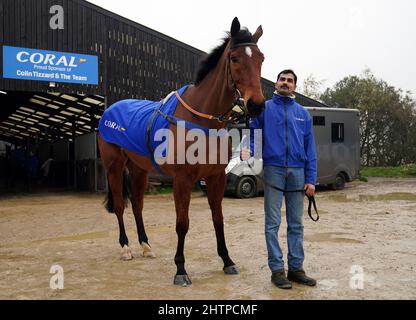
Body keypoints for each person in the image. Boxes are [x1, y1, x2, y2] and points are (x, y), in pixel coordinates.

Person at [242, 69, 317, 289]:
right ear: (275, 83)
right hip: (273, 169)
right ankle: (277, 271)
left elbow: (310, 149)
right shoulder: (264, 109)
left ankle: (296, 269)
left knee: (296, 224)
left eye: (290, 81)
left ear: (295, 86)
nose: (285, 83)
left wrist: (311, 179)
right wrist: (249, 151)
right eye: (282, 79)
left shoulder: (303, 114)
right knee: (272, 224)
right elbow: (254, 136)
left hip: (298, 172)